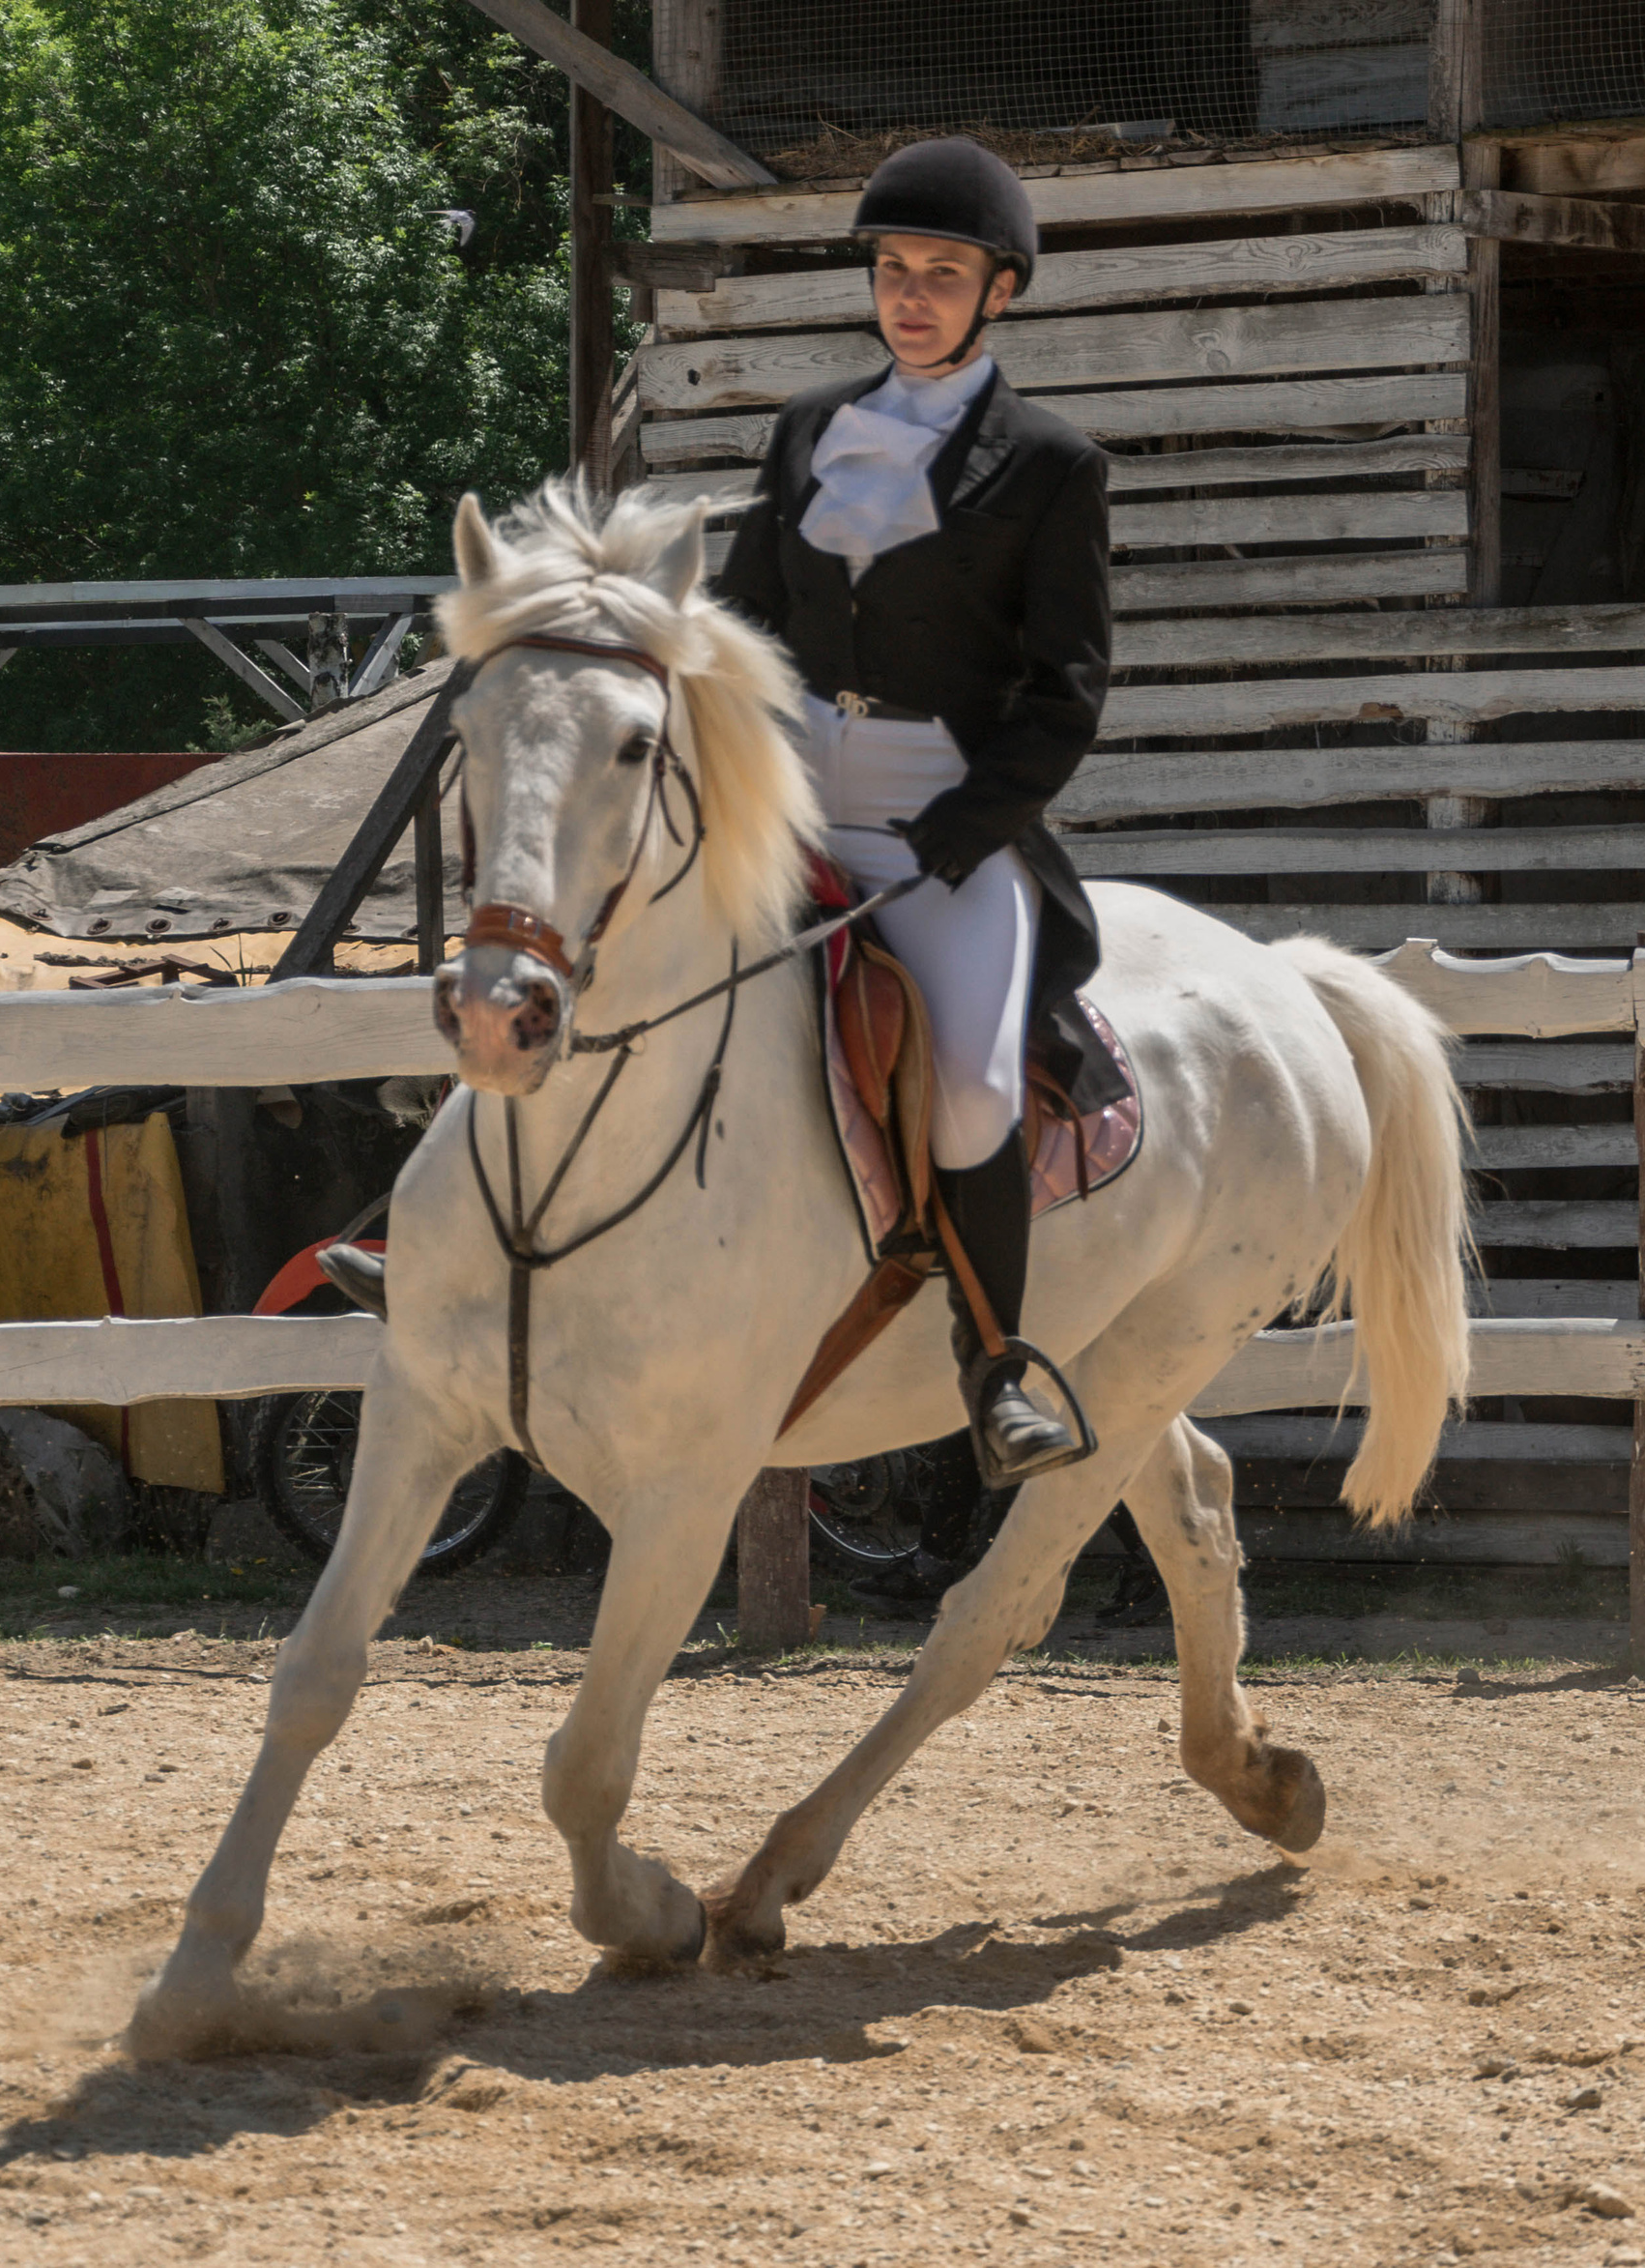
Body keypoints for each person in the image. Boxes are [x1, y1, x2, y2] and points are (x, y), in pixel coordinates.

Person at [714, 136, 1122, 1536]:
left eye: (942, 275)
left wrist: (964, 829)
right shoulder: (809, 428)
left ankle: (997, 1364)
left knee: (967, 1086)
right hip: (786, 804)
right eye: (894, 272)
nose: (911, 295)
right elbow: (743, 625)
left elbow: (1068, 690)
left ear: (998, 292)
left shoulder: (1054, 468)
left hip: (941, 816)